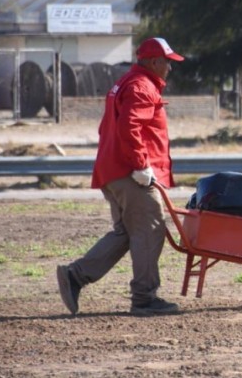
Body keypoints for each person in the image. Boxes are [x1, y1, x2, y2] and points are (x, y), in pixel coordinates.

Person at [56, 37, 184, 316]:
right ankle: (144, 298)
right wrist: (140, 166)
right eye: (167, 62)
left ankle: (75, 276)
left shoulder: (127, 82)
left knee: (127, 233)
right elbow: (129, 127)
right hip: (130, 173)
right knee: (151, 229)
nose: (170, 69)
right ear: (153, 62)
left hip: (113, 170)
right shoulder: (141, 87)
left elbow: (107, 128)